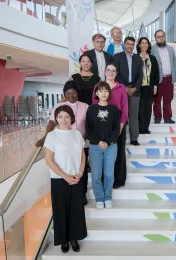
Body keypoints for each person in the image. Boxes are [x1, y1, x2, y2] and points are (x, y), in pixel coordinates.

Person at [36, 81, 90, 204]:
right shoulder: (59, 106)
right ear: (65, 94)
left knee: (82, 169)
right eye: (68, 93)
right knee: (65, 167)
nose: (71, 95)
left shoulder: (85, 106)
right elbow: (51, 122)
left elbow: (89, 125)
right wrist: (44, 138)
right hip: (63, 144)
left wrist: (82, 138)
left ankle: (82, 194)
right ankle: (67, 192)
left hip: (80, 143)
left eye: (74, 93)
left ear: (78, 93)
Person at [44, 105, 87, 253]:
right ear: (56, 118)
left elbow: (82, 155)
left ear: (72, 119)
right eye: (60, 117)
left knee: (76, 209)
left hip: (76, 177)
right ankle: (64, 240)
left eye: (67, 117)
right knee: (60, 210)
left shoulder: (77, 134)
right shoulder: (52, 136)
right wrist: (65, 176)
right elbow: (49, 160)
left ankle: (74, 237)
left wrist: (80, 172)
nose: (64, 120)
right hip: (59, 179)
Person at [92, 64, 129, 189]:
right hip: (102, 122)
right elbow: (94, 106)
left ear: (116, 73)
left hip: (119, 122)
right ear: (104, 71)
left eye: (113, 71)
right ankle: (103, 179)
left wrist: (121, 125)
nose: (111, 73)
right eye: (109, 70)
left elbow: (125, 108)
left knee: (119, 151)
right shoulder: (98, 87)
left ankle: (118, 179)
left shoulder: (121, 87)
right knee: (103, 151)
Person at [86, 82, 120, 209]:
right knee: (96, 175)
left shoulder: (114, 109)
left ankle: (108, 197)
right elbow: (88, 129)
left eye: (106, 91)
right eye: (100, 91)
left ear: (109, 93)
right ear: (96, 93)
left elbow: (117, 128)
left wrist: (109, 142)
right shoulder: (91, 109)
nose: (103, 93)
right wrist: (98, 142)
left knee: (109, 174)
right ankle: (99, 198)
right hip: (95, 146)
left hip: (111, 146)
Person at [113, 36, 143, 146]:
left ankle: (134, 138)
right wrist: (124, 87)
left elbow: (141, 76)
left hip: (135, 90)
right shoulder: (117, 57)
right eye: (128, 44)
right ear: (124, 44)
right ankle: (120, 137)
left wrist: (135, 88)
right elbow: (116, 73)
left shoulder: (138, 58)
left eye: (132, 44)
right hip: (121, 90)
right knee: (121, 115)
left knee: (134, 115)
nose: (130, 46)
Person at [151, 30, 176, 124]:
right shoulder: (152, 49)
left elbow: (174, 62)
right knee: (157, 100)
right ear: (155, 39)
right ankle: (157, 117)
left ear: (165, 36)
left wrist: (175, 76)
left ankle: (167, 118)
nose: (161, 38)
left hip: (169, 78)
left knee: (168, 100)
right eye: (158, 37)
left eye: (162, 36)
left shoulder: (170, 48)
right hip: (158, 79)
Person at [137, 37, 159, 134]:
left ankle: (146, 128)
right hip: (139, 87)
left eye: (146, 43)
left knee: (148, 108)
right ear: (139, 45)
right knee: (140, 108)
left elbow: (156, 73)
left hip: (149, 87)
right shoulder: (136, 58)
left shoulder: (152, 58)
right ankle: (140, 128)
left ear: (148, 45)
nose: (144, 45)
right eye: (142, 43)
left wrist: (155, 86)